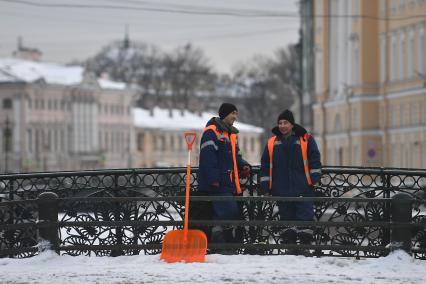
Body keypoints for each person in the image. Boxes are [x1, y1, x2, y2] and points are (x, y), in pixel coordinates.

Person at [259, 109, 322, 249]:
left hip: (303, 188)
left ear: (292, 124)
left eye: (285, 122)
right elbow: (265, 166)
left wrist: (315, 179)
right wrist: (265, 187)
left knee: (305, 220)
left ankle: (305, 249)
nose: (282, 126)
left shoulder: (306, 139)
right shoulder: (271, 143)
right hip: (282, 189)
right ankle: (290, 250)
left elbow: (315, 159)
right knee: (286, 221)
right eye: (280, 123)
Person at [197, 103, 251, 247]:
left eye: (236, 114)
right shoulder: (212, 132)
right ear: (225, 114)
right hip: (219, 183)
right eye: (233, 113)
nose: (235, 117)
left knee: (228, 213)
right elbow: (208, 158)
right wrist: (213, 179)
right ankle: (220, 245)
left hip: (230, 182)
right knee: (226, 212)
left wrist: (244, 165)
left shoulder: (231, 134)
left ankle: (223, 245)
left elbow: (236, 156)